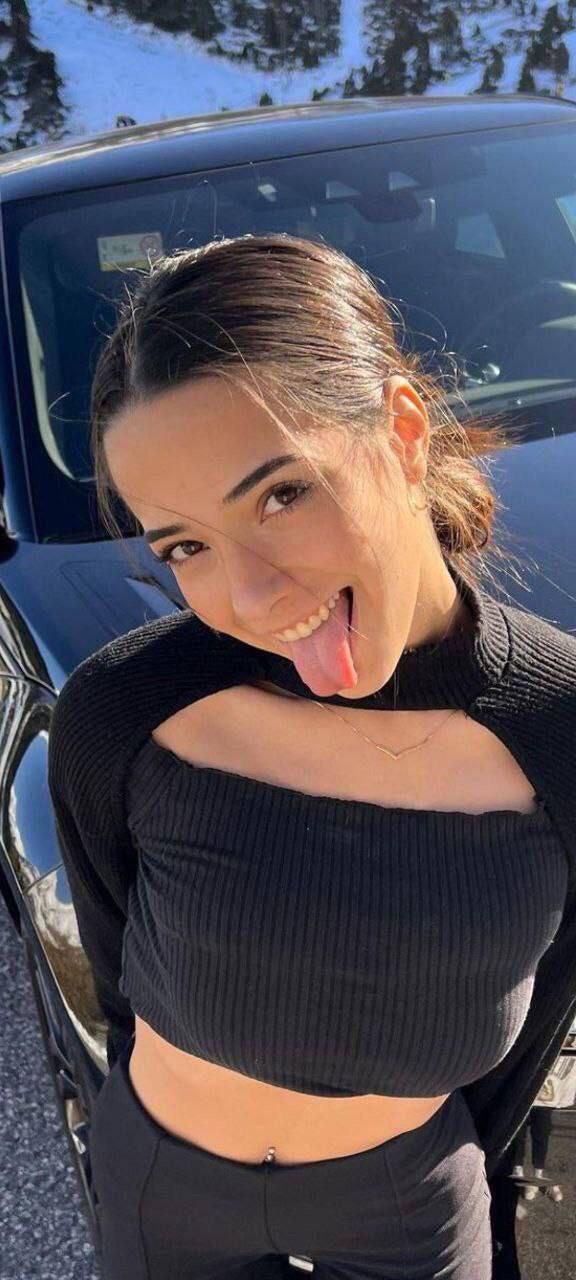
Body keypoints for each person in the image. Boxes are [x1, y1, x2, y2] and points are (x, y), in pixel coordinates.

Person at [47, 232, 576, 1280]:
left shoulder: (559, 724)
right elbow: (118, 975)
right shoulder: (127, 709)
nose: (251, 597)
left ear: (404, 432)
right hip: (166, 1187)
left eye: (281, 494)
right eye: (185, 546)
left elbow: (543, 1013)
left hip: (408, 1205)